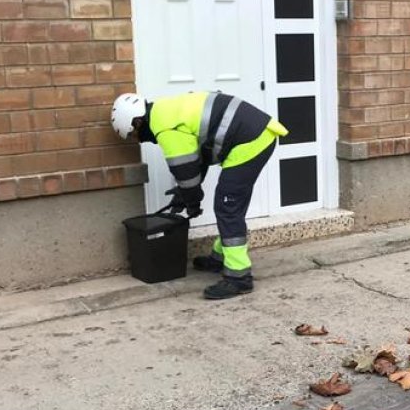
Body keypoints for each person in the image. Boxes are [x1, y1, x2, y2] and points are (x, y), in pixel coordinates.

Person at [110, 91, 287, 300]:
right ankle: (221, 257)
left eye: (132, 134)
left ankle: (239, 278)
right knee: (230, 205)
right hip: (254, 132)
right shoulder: (164, 112)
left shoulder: (165, 128)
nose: (138, 140)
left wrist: (191, 200)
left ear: (137, 122)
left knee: (227, 206)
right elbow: (197, 160)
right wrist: (184, 195)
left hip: (252, 139)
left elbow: (186, 171)